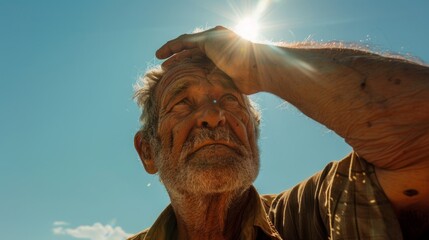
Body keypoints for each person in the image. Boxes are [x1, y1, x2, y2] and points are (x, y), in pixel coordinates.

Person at [130, 26, 429, 239]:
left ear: (253, 136)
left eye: (231, 100)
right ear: (147, 152)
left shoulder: (311, 216)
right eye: (182, 102)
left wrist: (260, 64)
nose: (213, 114)